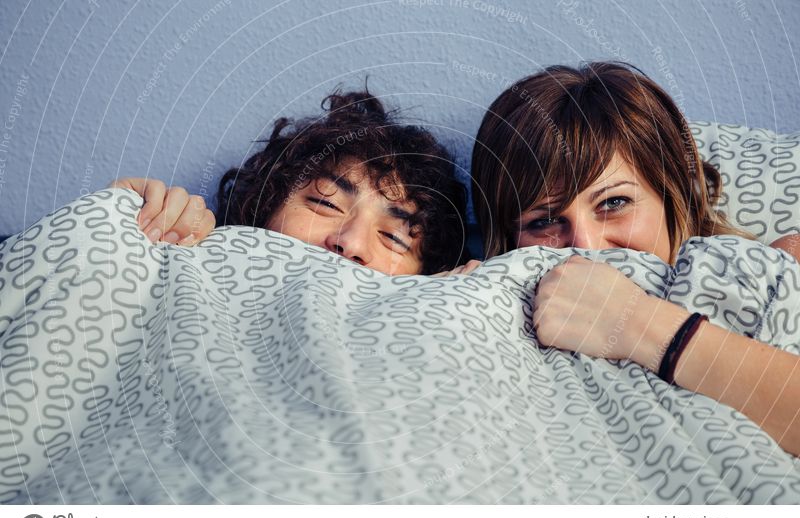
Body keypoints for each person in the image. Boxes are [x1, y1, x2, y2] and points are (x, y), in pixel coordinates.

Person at [470, 62, 800, 456]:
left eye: (614, 202)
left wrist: (633, 321)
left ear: (673, 193)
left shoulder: (772, 273)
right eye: (544, 221)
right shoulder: (486, 294)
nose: (588, 246)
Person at [110, 90, 470, 276]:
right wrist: (121, 231)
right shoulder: (179, 264)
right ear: (264, 207)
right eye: (325, 203)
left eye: (394, 238)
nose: (349, 244)